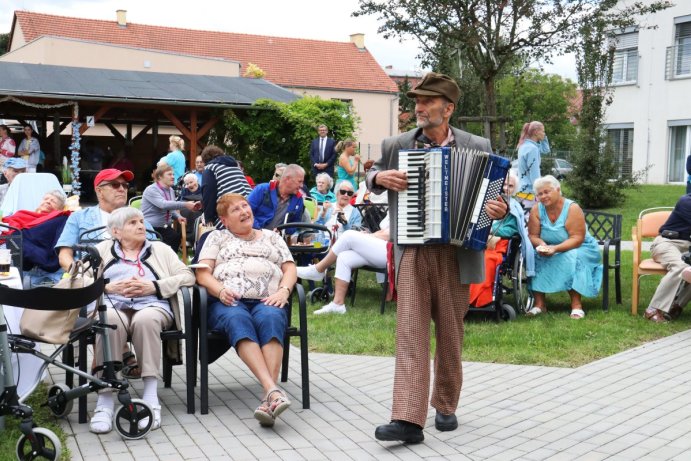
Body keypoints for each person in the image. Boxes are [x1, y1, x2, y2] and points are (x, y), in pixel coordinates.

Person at [366, 72, 507, 443]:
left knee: (450, 332)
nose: (419, 108)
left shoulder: (477, 143)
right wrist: (380, 180)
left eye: (427, 102)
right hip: (412, 249)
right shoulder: (396, 143)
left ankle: (445, 404)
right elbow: (373, 174)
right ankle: (408, 420)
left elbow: (491, 195)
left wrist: (498, 209)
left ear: (448, 109)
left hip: (457, 251)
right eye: (417, 102)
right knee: (410, 332)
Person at [89, 207, 195, 434]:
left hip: (153, 305)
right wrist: (106, 286)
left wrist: (153, 286)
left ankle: (150, 396)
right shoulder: (101, 250)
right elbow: (81, 279)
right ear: (116, 232)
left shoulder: (160, 249)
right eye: (133, 223)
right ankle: (105, 399)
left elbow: (188, 275)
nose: (141, 226)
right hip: (114, 304)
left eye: (141, 221)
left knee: (145, 320)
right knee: (108, 321)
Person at [195, 193, 296, 427]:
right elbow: (202, 273)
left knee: (271, 318)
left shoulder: (272, 236)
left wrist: (283, 291)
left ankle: (267, 399)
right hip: (227, 301)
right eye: (235, 210)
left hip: (268, 299)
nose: (243, 211)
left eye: (245, 206)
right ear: (225, 219)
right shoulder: (216, 237)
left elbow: (290, 268)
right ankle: (272, 391)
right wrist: (220, 290)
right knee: (237, 319)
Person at [527, 175, 602, 319]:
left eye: (547, 192)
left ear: (558, 189)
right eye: (540, 194)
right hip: (551, 247)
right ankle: (539, 304)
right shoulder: (536, 210)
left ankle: (576, 306)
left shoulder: (572, 208)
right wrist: (542, 246)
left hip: (582, 247)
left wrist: (555, 249)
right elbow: (533, 236)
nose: (543, 196)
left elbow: (577, 239)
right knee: (534, 256)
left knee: (570, 256)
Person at [297, 216, 390, 314]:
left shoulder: (402, 208)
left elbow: (392, 234)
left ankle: (318, 269)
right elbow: (385, 231)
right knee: (344, 257)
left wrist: (368, 236)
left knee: (348, 235)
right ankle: (338, 304)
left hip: (392, 252)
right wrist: (369, 235)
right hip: (382, 249)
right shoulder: (393, 208)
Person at [469, 172, 535, 307]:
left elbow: (513, 230)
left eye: (510, 186)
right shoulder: (486, 202)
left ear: (515, 189)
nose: (506, 188)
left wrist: (491, 232)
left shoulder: (514, 206)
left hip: (500, 244)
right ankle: (463, 298)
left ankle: (479, 299)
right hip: (480, 242)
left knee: (487, 260)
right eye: (504, 184)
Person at [644, 193, 691, 322]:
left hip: (687, 247)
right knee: (681, 266)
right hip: (667, 242)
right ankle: (653, 308)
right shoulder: (686, 201)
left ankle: (675, 307)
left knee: (688, 270)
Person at [142, 164, 200, 252]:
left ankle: (169, 262)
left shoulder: (171, 190)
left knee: (175, 237)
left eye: (173, 174)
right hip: (150, 228)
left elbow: (170, 209)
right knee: (171, 239)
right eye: (169, 174)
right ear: (160, 177)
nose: (173, 177)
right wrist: (185, 204)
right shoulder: (151, 189)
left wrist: (178, 217)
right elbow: (163, 204)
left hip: (164, 227)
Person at [200, 145, 252, 229]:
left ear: (205, 159)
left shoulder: (210, 168)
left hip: (232, 211)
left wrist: (208, 219)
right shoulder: (234, 166)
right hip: (249, 209)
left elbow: (208, 195)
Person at [247, 164, 305, 230]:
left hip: (277, 238)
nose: (302, 186)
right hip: (252, 233)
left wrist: (282, 231)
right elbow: (246, 213)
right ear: (287, 179)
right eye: (300, 181)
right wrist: (260, 231)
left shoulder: (298, 199)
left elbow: (295, 224)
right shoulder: (262, 189)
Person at [516, 121, 549, 209]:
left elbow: (545, 150)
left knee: (524, 219)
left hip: (521, 190)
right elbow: (534, 173)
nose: (544, 133)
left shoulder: (523, 146)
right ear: (536, 132)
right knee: (531, 220)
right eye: (543, 131)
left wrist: (544, 137)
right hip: (530, 192)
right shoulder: (532, 149)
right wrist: (539, 192)